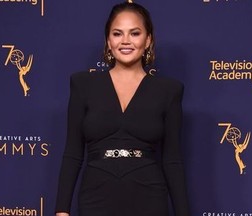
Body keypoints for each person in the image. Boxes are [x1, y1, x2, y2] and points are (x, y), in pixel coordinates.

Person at [55, 2, 189, 216]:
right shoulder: (82, 84)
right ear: (108, 41)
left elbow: (172, 160)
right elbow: (72, 153)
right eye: (117, 34)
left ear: (148, 40)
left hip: (149, 197)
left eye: (134, 33)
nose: (125, 41)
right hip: (95, 197)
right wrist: (62, 209)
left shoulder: (169, 90)